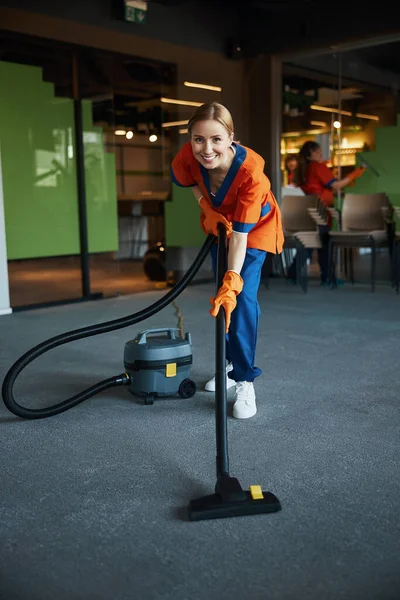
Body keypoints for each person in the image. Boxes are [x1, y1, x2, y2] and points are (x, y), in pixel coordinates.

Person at [170, 102, 284, 419]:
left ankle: (245, 380)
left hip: (253, 230)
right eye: (198, 139)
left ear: (231, 137)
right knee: (221, 300)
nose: (206, 149)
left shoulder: (251, 175)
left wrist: (232, 278)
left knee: (240, 297)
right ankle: (230, 363)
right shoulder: (187, 155)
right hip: (220, 224)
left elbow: (241, 238)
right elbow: (191, 181)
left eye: (216, 139)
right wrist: (208, 207)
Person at [288, 140, 366, 284]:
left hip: (310, 209)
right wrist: (353, 175)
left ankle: (293, 273)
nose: (320, 154)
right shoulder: (318, 167)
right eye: (317, 152)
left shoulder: (303, 169)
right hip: (321, 210)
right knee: (325, 243)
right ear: (310, 155)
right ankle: (328, 277)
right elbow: (336, 185)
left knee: (311, 243)